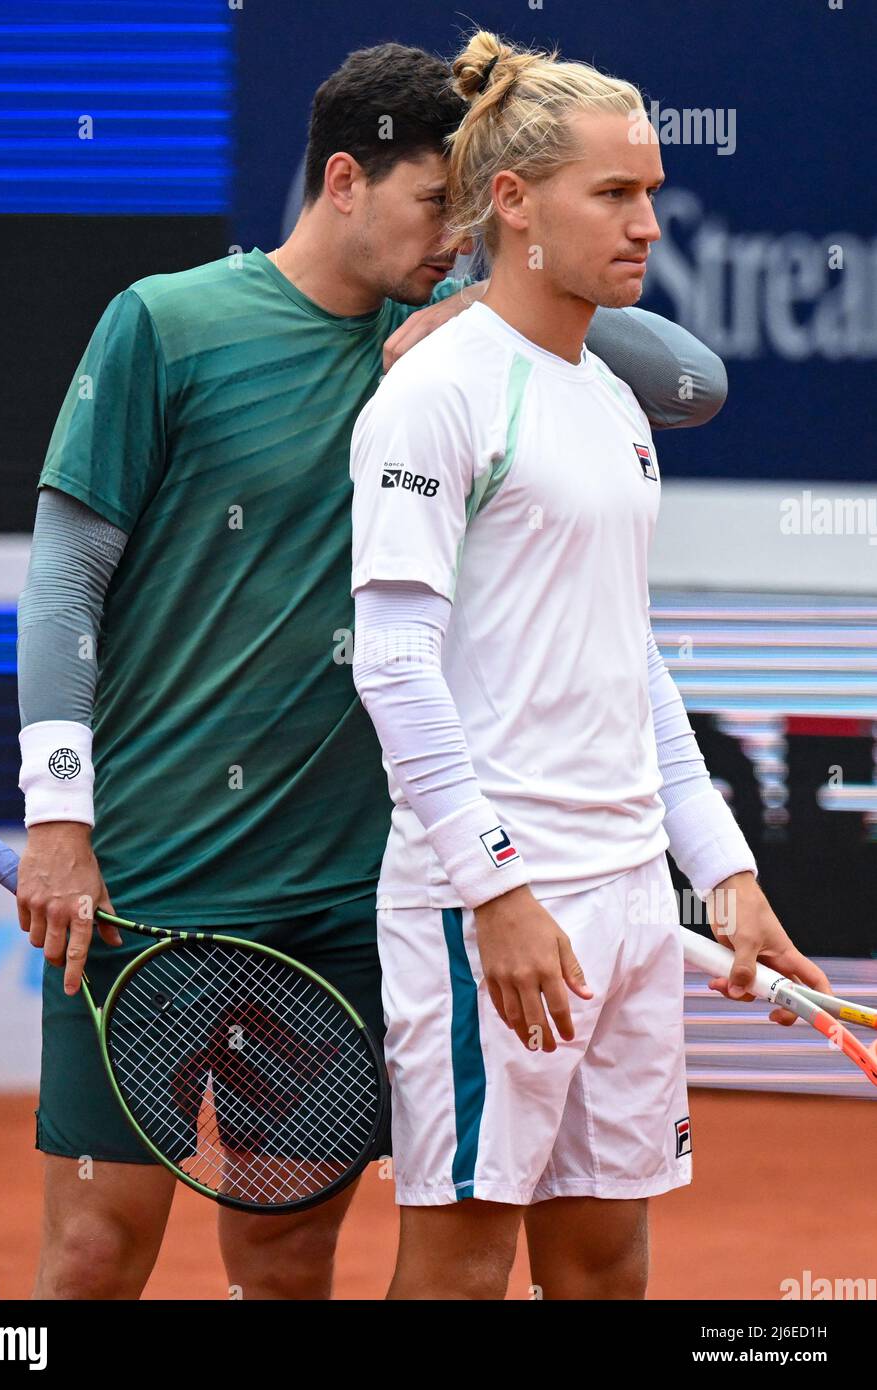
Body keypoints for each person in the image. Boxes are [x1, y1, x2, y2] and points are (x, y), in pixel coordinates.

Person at [16, 42, 731, 1300]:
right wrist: (58, 814)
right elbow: (66, 576)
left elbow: (694, 377)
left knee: (288, 1254)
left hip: (345, 898)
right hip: (147, 879)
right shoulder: (167, 323)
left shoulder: (451, 349)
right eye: (434, 206)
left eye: (477, 211)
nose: (458, 236)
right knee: (91, 1251)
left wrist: (484, 297)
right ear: (343, 180)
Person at [349, 31, 832, 1301]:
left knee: (607, 1263)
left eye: (653, 192)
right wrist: (493, 891)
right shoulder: (434, 396)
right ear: (513, 203)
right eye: (615, 195)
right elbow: (394, 666)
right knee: (458, 1267)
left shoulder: (613, 403)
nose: (649, 224)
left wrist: (723, 874)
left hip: (627, 901)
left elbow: (633, 667)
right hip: (494, 901)